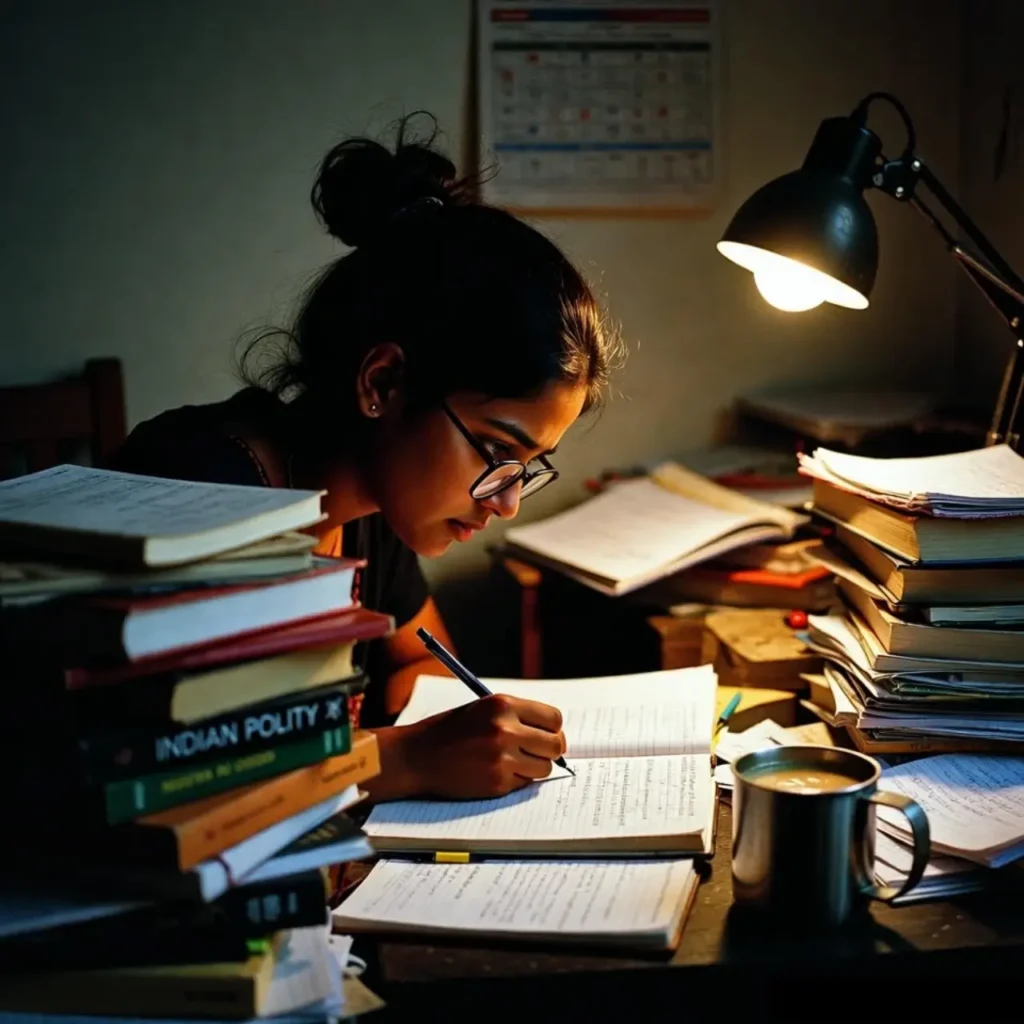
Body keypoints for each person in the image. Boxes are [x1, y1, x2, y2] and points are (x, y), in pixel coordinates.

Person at [110, 116, 622, 802]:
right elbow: (155, 775)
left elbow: (416, 657)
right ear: (381, 384)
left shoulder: (371, 500)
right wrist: (402, 760)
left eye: (529, 465)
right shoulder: (199, 491)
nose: (506, 500)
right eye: (498, 451)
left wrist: (446, 735)